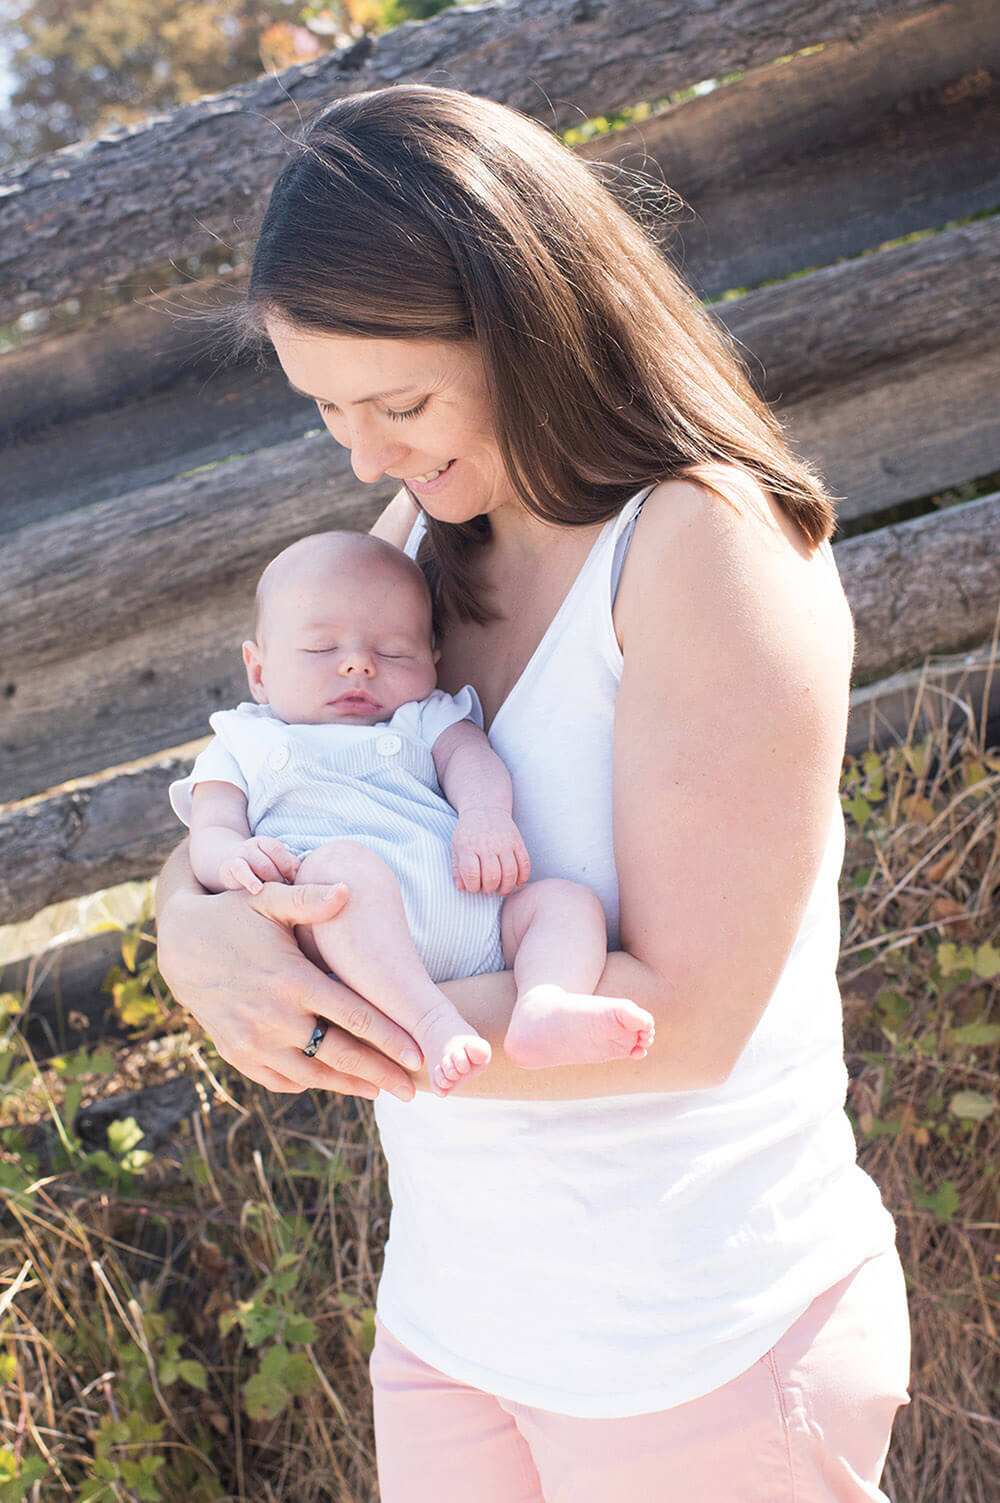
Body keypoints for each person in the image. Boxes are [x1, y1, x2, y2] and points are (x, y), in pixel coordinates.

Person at [155, 84, 910, 1501]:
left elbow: (683, 1018)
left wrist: (314, 1011)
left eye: (401, 401)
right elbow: (273, 772)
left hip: (697, 1344)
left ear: (533, 327)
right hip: (457, 1324)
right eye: (328, 410)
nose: (367, 455)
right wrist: (191, 929)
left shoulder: (709, 549)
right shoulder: (431, 529)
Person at [169, 528, 653, 1095]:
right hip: (346, 939)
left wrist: (483, 816)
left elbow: (471, 760)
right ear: (258, 671)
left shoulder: (423, 716)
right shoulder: (240, 740)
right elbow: (211, 832)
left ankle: (544, 1004)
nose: (358, 666)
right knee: (340, 871)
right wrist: (232, 858)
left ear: (432, 661)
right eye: (322, 649)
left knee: (565, 902)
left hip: (480, 922)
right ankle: (432, 1022)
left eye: (393, 652)